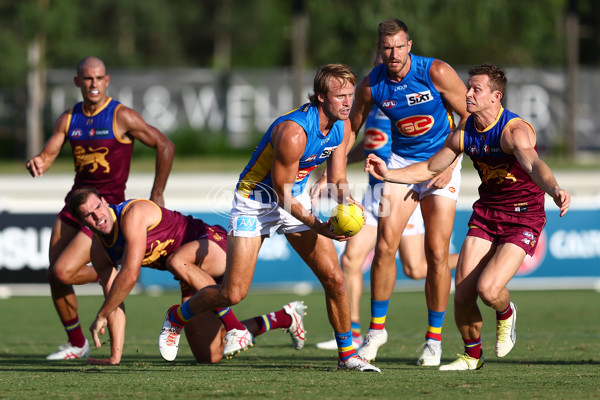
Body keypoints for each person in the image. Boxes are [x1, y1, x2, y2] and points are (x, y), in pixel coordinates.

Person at [157, 64, 380, 372]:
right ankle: (176, 318)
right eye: (339, 95)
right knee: (232, 293)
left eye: (349, 95)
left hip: (295, 196)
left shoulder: (341, 126)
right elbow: (280, 195)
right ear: (320, 97)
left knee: (335, 279)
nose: (347, 102)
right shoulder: (294, 133)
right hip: (256, 202)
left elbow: (338, 178)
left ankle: (348, 356)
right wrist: (321, 227)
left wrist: (348, 206)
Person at [365, 63, 571, 370]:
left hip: (523, 217)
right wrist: (389, 174)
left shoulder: (513, 131)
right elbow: (431, 168)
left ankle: (505, 312)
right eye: (468, 87)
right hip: (487, 215)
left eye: (475, 89)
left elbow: (533, 165)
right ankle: (472, 356)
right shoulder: (464, 132)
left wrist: (554, 189)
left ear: (495, 97)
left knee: (488, 290)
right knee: (461, 295)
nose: (468, 93)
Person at [25, 56, 175, 360]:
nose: (93, 84)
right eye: (87, 79)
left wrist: (157, 192)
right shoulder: (68, 119)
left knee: (63, 271)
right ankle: (77, 343)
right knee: (55, 275)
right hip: (74, 205)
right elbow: (50, 152)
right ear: (77, 82)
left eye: (99, 79)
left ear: (107, 81)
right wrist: (40, 160)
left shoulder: (121, 116)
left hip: (104, 208)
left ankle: (110, 273)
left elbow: (165, 145)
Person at [68, 187, 307, 364]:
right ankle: (284, 318)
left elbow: (129, 276)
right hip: (187, 273)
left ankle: (234, 327)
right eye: (88, 215)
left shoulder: (132, 214)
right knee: (210, 355)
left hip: (210, 245)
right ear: (82, 222)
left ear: (104, 200)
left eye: (97, 207)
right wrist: (114, 355)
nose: (97, 216)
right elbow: (114, 299)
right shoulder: (99, 251)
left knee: (175, 260)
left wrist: (100, 314)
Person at [348, 19, 470, 366]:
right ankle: (376, 331)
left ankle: (433, 341)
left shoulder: (436, 72)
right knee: (386, 244)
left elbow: (470, 118)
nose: (394, 53)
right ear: (379, 50)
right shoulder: (372, 85)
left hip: (442, 161)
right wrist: (333, 166)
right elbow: (350, 129)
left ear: (409, 45)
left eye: (399, 46)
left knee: (435, 253)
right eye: (387, 47)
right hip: (401, 164)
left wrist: (449, 162)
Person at [315, 104, 459, 351]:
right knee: (350, 260)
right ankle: (356, 331)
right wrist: (337, 165)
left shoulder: (410, 104)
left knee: (415, 268)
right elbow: (369, 145)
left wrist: (447, 166)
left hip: (402, 187)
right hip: (374, 193)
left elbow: (441, 135)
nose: (379, 66)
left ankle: (474, 259)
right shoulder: (373, 104)